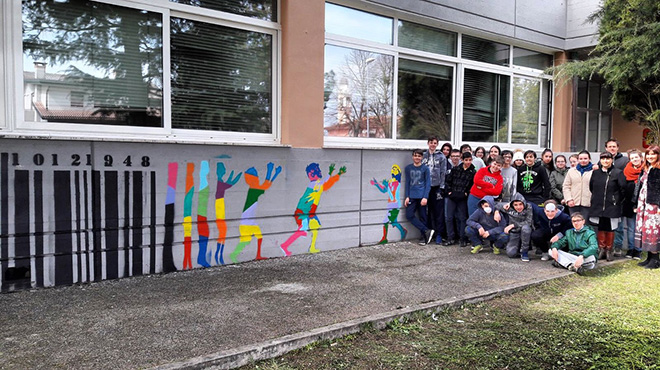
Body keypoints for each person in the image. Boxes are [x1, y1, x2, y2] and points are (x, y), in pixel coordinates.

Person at [280, 162, 346, 256]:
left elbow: (327, 182)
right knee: (302, 230)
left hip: (310, 212)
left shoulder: (317, 184)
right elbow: (325, 182)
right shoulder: (314, 184)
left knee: (315, 227)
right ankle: (284, 245)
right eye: (315, 171)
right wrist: (331, 172)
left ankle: (312, 247)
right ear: (310, 175)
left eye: (318, 170)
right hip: (302, 212)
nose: (318, 172)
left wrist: (337, 173)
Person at [230, 162, 282, 263]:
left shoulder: (254, 189)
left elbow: (265, 185)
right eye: (256, 178)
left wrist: (274, 173)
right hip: (246, 221)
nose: (258, 180)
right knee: (245, 241)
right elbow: (265, 186)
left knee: (259, 237)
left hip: (250, 220)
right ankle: (233, 255)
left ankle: (258, 255)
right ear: (253, 180)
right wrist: (271, 171)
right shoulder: (253, 190)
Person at [589, 151, 626, 261]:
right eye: (603, 158)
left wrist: (616, 200)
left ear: (612, 160)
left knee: (610, 227)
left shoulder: (618, 173)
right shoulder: (596, 173)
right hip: (598, 205)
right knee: (601, 226)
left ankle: (609, 250)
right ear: (600, 160)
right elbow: (592, 187)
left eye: (608, 158)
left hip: (612, 206)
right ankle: (602, 249)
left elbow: (623, 189)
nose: (605, 161)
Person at [443, 151, 476, 247]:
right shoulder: (455, 169)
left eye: (470, 160)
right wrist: (449, 191)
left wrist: (466, 193)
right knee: (449, 217)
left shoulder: (473, 172)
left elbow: (472, 185)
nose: (468, 162)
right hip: (452, 196)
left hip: (463, 197)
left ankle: (462, 238)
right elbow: (448, 181)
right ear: (462, 160)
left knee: (462, 218)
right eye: (466, 160)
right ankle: (450, 237)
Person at [635, 145, 660, 269]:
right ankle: (649, 257)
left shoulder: (658, 169)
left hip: (654, 204)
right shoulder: (646, 168)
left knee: (653, 230)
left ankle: (655, 259)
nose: (650, 156)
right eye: (648, 154)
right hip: (643, 203)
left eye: (653, 154)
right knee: (645, 229)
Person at [370, 165, 408, 245]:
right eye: (392, 169)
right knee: (394, 222)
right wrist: (376, 184)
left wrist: (387, 185)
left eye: (395, 169)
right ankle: (403, 230)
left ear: (398, 172)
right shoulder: (391, 181)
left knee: (386, 221)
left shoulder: (397, 183)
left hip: (394, 204)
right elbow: (384, 190)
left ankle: (384, 238)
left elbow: (392, 195)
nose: (393, 170)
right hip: (391, 205)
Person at [405, 149, 435, 245]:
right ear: (412, 157)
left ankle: (424, 237)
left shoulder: (425, 168)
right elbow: (407, 183)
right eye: (415, 155)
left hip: (422, 196)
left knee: (423, 217)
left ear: (422, 157)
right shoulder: (408, 168)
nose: (417, 157)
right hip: (412, 196)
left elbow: (428, 184)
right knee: (409, 215)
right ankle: (427, 230)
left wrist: (425, 197)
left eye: (419, 156)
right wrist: (407, 196)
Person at [606, 138, 629, 256]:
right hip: (607, 199)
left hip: (619, 198)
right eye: (610, 147)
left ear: (617, 148)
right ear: (606, 148)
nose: (612, 149)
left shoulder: (624, 160)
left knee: (619, 225)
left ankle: (618, 247)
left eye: (614, 146)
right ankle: (608, 247)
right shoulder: (603, 160)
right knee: (608, 225)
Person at [422, 137, 447, 244]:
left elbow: (443, 172)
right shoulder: (423, 155)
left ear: (437, 144)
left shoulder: (441, 157)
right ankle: (427, 233)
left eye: (435, 143)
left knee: (438, 212)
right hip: (425, 188)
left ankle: (439, 234)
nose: (433, 144)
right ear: (428, 143)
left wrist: (442, 187)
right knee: (426, 211)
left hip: (437, 188)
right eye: (431, 142)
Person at [496, 193, 533, 261]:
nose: (518, 207)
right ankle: (517, 248)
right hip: (514, 232)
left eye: (520, 204)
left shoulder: (528, 207)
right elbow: (497, 205)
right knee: (511, 254)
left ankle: (524, 252)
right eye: (515, 205)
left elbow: (529, 222)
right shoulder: (508, 207)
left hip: (524, 230)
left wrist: (513, 225)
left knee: (526, 228)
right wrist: (496, 212)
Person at [623, 149, 643, 259]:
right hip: (629, 204)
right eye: (632, 158)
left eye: (636, 157)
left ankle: (638, 250)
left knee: (639, 229)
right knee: (630, 228)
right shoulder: (626, 171)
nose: (634, 160)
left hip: (642, 204)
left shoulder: (646, 170)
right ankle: (631, 249)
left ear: (641, 158)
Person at [563, 150, 594, 220]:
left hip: (588, 203)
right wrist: (568, 199)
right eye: (581, 159)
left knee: (586, 224)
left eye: (585, 158)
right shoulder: (571, 171)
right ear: (578, 160)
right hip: (573, 202)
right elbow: (566, 186)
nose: (583, 160)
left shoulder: (594, 171)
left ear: (589, 159)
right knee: (575, 223)